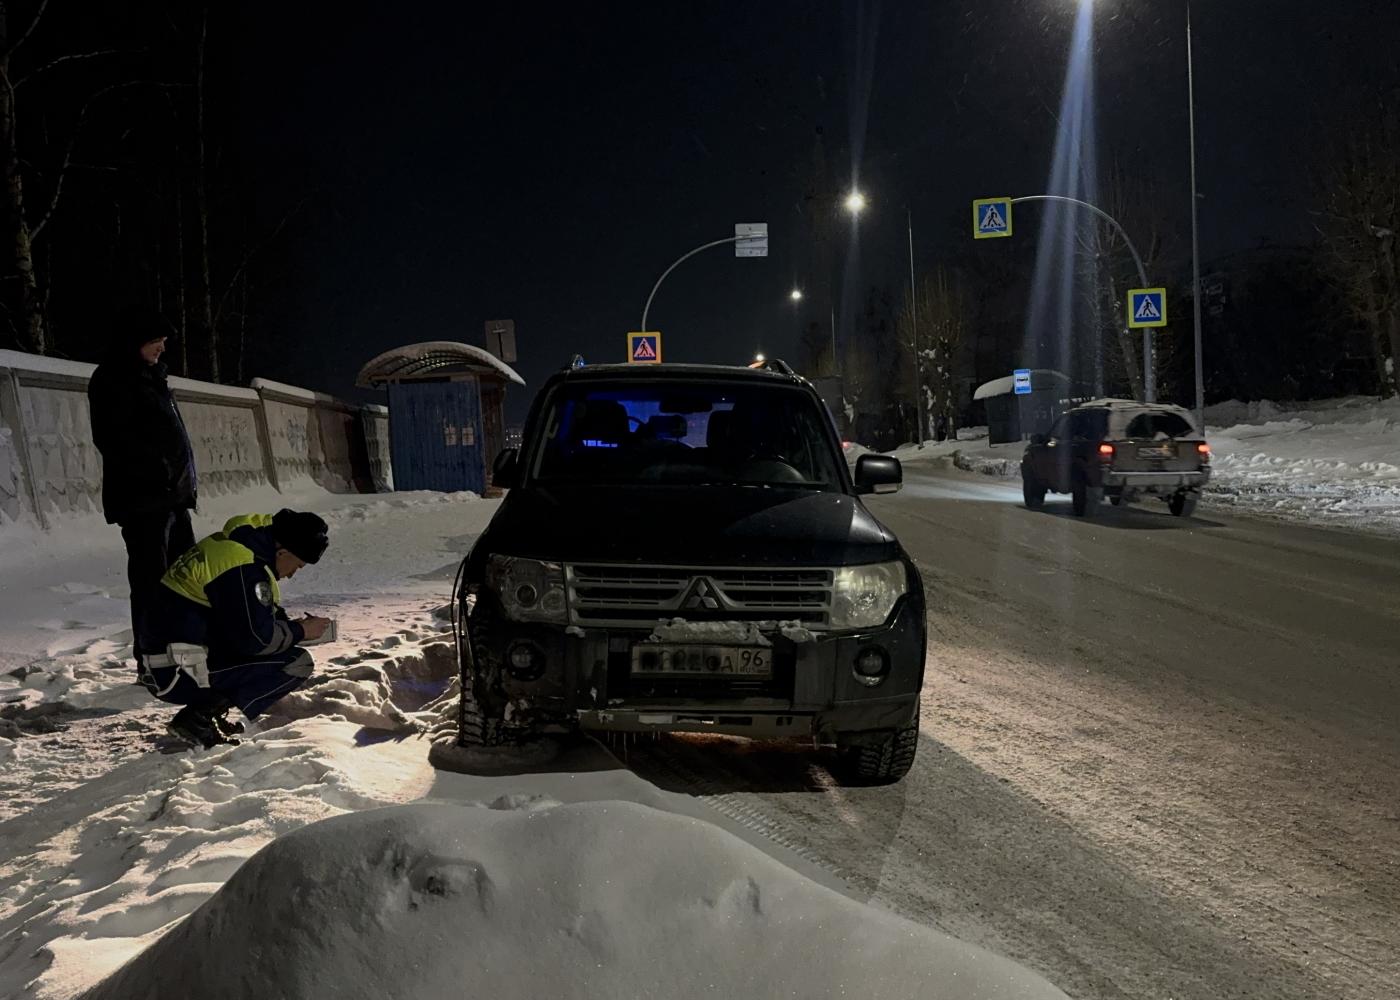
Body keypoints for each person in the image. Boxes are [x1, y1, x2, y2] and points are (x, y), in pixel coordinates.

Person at [138, 510, 332, 748]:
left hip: (167, 660)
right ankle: (197, 718)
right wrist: (301, 632)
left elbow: (248, 621)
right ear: (283, 552)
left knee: (274, 649)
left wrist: (290, 627)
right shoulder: (243, 568)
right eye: (298, 566)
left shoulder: (236, 549)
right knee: (296, 663)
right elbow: (255, 640)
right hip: (175, 673)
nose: (292, 574)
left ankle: (207, 713)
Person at [87, 306, 198, 650]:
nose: (162, 348)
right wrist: (159, 477)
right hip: (145, 502)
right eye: (156, 341)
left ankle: (186, 645)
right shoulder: (114, 380)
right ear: (134, 342)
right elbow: (115, 441)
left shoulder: (153, 377)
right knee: (152, 582)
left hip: (173, 498)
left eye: (163, 341)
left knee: (187, 576)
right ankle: (153, 654)